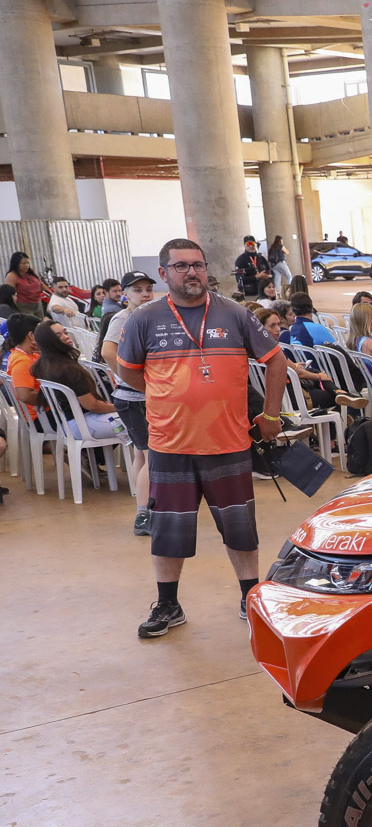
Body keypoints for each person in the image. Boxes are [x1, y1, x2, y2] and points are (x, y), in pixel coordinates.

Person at [115, 237, 289, 638]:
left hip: (228, 442)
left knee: (240, 527)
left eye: (198, 264)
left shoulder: (235, 314)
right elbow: (127, 372)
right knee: (168, 531)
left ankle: (250, 597)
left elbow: (276, 359)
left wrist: (272, 413)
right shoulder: (143, 319)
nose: (191, 272)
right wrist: (170, 393)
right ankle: (168, 604)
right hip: (170, 444)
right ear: (163, 273)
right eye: (181, 266)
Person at [104, 268, 158, 536]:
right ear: (124, 294)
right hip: (134, 398)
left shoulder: (149, 315)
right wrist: (134, 381)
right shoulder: (123, 318)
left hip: (143, 396)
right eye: (137, 290)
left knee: (142, 453)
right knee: (152, 456)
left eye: (148, 289)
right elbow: (107, 352)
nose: (145, 294)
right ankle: (143, 515)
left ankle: (146, 505)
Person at [31, 319, 120, 439]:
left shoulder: (43, 365)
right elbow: (92, 405)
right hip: (83, 425)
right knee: (140, 423)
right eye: (58, 336)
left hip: (67, 424)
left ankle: (99, 458)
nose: (66, 337)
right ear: (48, 342)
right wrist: (119, 408)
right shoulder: (68, 369)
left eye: (65, 332)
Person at [6, 313, 42, 409]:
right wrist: (53, 399)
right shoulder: (22, 361)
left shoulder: (30, 354)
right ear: (31, 335)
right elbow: (25, 396)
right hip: (42, 416)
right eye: (41, 332)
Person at [7, 252, 47, 316]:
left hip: (38, 304)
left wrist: (51, 293)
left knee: (40, 324)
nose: (26, 265)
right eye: (23, 263)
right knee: (29, 324)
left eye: (28, 263)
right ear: (16, 263)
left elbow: (40, 283)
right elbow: (9, 292)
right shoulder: (12, 275)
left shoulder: (31, 272)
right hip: (23, 306)